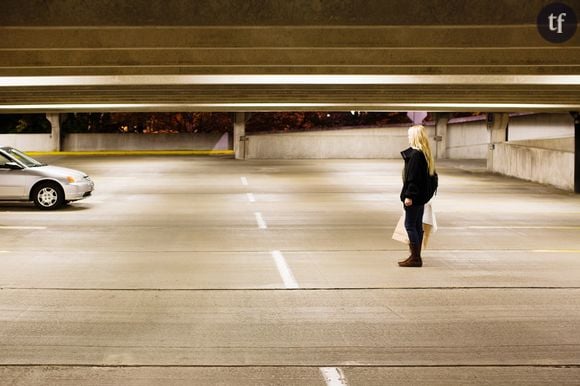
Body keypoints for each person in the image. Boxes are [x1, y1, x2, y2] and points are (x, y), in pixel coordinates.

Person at [398, 125, 436, 267]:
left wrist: (409, 196)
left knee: (410, 225)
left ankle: (415, 258)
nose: (408, 137)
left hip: (414, 197)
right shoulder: (425, 154)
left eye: (409, 135)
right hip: (422, 198)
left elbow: (413, 179)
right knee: (417, 226)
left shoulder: (415, 155)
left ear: (415, 137)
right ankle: (415, 256)